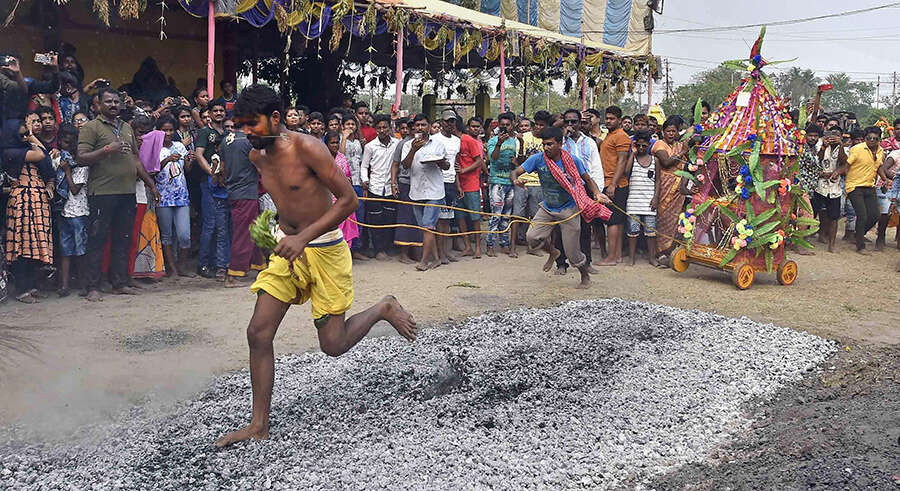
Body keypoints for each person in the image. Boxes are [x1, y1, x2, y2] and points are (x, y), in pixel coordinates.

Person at [216, 84, 416, 447]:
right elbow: (284, 197)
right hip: (288, 251)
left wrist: (303, 237)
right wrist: (272, 229)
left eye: (253, 126)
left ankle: (384, 307)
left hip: (324, 250)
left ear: (276, 118)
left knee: (334, 345)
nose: (247, 134)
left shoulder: (308, 147)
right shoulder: (256, 154)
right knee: (258, 333)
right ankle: (259, 424)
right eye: (242, 126)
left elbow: (349, 200)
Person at [77, 88, 159, 301]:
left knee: (123, 239)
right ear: (98, 104)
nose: (113, 105)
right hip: (102, 193)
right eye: (108, 102)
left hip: (127, 192)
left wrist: (151, 185)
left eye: (116, 102)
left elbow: (136, 160)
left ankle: (119, 282)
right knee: (97, 239)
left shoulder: (126, 128)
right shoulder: (90, 127)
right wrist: (107, 150)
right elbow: (81, 157)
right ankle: (92, 286)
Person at [511, 127, 610, 289]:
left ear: (560, 144)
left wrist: (597, 193)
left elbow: (588, 179)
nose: (546, 148)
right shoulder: (537, 159)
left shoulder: (573, 160)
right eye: (544, 144)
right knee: (531, 237)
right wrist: (516, 181)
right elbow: (516, 171)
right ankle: (553, 252)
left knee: (573, 254)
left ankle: (584, 276)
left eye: (550, 144)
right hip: (548, 207)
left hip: (569, 209)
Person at [2, 120, 55, 303]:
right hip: (22, 200)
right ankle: (22, 290)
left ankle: (31, 287)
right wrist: (32, 137)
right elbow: (42, 156)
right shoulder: (10, 151)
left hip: (37, 199)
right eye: (22, 135)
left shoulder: (23, 149)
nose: (26, 137)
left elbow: (48, 166)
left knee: (35, 246)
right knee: (23, 247)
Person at [402, 113, 448, 271]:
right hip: (417, 191)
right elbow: (405, 165)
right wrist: (414, 150)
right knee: (426, 228)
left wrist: (441, 161)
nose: (420, 128)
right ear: (414, 127)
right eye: (418, 125)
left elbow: (447, 165)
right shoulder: (408, 144)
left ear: (429, 126)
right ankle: (436, 259)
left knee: (428, 226)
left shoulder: (438, 144)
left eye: (423, 124)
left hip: (435, 191)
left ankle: (424, 261)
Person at [153, 116, 193, 277]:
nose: (168, 133)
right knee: (167, 235)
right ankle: (172, 268)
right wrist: (167, 159)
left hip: (181, 195)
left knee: (184, 235)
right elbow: (152, 170)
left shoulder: (179, 146)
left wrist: (190, 160)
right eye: (165, 130)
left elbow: (187, 171)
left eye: (170, 130)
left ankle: (182, 265)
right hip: (163, 196)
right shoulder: (154, 148)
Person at [838, 126, 887, 254]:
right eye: (869, 138)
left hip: (870, 186)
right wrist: (837, 173)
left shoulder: (881, 151)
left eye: (875, 138)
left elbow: (878, 166)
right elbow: (847, 165)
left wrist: (884, 179)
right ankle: (861, 246)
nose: (871, 140)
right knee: (862, 215)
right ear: (865, 138)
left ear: (879, 140)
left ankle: (858, 234)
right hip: (854, 186)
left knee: (875, 215)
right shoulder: (857, 149)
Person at [194, 101, 230, 277]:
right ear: (209, 113)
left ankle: (220, 264)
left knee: (223, 226)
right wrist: (212, 173)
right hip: (208, 182)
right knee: (210, 224)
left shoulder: (228, 133)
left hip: (225, 184)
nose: (218, 113)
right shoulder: (204, 132)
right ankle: (203, 265)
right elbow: (199, 155)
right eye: (215, 110)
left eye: (221, 110)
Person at [130, 116, 166, 282]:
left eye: (146, 133)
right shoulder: (128, 145)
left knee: (149, 229)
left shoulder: (153, 146)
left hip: (147, 193)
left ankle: (150, 269)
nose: (143, 137)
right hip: (131, 193)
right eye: (140, 133)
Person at [596, 105, 632, 266]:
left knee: (613, 221)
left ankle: (611, 257)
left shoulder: (621, 136)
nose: (608, 121)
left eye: (612, 119)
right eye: (607, 118)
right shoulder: (610, 135)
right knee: (616, 221)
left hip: (615, 184)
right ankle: (616, 256)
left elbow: (622, 162)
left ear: (619, 120)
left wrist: (612, 185)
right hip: (609, 182)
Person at [55, 124, 88, 296]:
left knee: (79, 249)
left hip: (79, 211)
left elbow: (75, 189)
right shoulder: (62, 160)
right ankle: (65, 285)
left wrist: (67, 171)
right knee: (66, 249)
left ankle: (83, 284)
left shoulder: (81, 166)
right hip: (65, 210)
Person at [360, 114, 398, 261]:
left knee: (389, 219)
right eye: (379, 128)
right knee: (376, 220)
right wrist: (365, 180)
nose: (382, 130)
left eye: (385, 127)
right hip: (374, 187)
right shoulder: (370, 146)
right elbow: (364, 166)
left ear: (389, 128)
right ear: (375, 129)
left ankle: (387, 247)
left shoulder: (397, 144)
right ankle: (378, 249)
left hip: (390, 188)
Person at [651, 116, 688, 263]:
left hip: (678, 188)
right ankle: (659, 252)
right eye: (668, 131)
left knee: (674, 218)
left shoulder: (679, 145)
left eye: (674, 131)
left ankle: (670, 250)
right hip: (664, 184)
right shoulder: (659, 144)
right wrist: (681, 152)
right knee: (662, 218)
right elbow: (666, 162)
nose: (671, 134)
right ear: (663, 132)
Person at [485, 112, 521, 257]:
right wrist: (499, 143)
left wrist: (515, 162)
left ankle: (504, 244)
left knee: (506, 215)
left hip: (510, 182)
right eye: (502, 125)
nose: (505, 127)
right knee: (496, 215)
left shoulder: (515, 141)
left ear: (512, 125)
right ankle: (490, 244)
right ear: (498, 126)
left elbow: (518, 162)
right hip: (496, 182)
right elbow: (492, 159)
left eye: (507, 125)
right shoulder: (493, 141)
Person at [430, 109, 461, 264]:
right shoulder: (433, 139)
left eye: (452, 121)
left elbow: (456, 164)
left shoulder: (457, 140)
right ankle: (439, 254)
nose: (449, 124)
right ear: (441, 122)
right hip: (437, 183)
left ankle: (446, 251)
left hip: (450, 183)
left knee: (447, 221)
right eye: (447, 121)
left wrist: (458, 184)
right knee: (438, 221)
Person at [391, 116, 423, 262]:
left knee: (417, 218)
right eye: (411, 126)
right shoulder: (403, 144)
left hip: (421, 184)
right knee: (405, 217)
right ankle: (404, 253)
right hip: (405, 182)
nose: (413, 129)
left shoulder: (425, 142)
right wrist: (393, 183)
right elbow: (396, 164)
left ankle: (415, 250)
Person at [625, 131, 659, 266]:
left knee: (650, 231)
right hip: (633, 200)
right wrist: (632, 153)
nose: (641, 148)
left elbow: (658, 181)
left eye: (644, 146)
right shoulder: (632, 158)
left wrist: (656, 197)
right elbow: (626, 172)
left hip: (649, 200)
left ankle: (652, 257)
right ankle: (631, 257)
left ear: (649, 145)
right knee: (632, 231)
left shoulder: (654, 160)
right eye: (638, 145)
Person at [513, 113, 544, 256]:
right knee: (517, 215)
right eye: (536, 124)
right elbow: (518, 161)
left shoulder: (547, 140)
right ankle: (513, 246)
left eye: (541, 125)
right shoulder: (522, 138)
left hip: (538, 182)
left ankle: (533, 247)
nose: (538, 127)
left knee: (535, 216)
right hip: (522, 180)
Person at [0, 51, 59, 122]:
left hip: (20, 125)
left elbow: (52, 87)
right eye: (9, 63)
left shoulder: (28, 83)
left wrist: (55, 70)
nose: (11, 66)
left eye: (14, 63)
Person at [456, 117, 485, 258]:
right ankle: (468, 246)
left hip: (471, 184)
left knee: (475, 218)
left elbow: (479, 161)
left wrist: (464, 170)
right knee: (460, 217)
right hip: (458, 185)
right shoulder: (453, 141)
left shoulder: (469, 141)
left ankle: (478, 248)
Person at [814, 128, 847, 253]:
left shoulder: (841, 148)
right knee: (816, 212)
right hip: (820, 185)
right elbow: (817, 160)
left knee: (834, 217)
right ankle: (817, 235)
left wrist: (840, 145)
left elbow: (845, 162)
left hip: (835, 187)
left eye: (837, 135)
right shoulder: (821, 145)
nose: (834, 137)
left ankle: (831, 244)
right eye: (832, 135)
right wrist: (823, 146)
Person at [325, 130, 360, 248]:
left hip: (343, 196)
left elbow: (348, 176)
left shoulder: (343, 158)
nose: (335, 145)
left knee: (346, 226)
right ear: (327, 144)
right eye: (332, 143)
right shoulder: (322, 159)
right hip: (328, 198)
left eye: (337, 142)